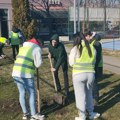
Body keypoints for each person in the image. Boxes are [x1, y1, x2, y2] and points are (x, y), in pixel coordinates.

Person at [69, 32, 100, 120]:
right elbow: (94, 61)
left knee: (80, 96)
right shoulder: (92, 47)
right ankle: (91, 113)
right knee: (89, 94)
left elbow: (71, 63)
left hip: (78, 75)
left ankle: (82, 116)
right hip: (90, 74)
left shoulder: (75, 48)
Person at [12, 35, 44, 120]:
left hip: (16, 72)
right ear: (39, 43)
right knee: (31, 93)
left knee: (22, 92)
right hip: (26, 74)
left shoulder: (23, 47)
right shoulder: (36, 48)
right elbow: (38, 64)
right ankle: (34, 114)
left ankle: (25, 114)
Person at [84, 29, 103, 106]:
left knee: (94, 83)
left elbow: (97, 57)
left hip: (96, 66)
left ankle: (95, 99)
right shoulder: (91, 43)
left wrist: (93, 66)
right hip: (92, 65)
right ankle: (92, 97)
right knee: (91, 82)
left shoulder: (96, 44)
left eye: (88, 36)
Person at [48, 34, 69, 98]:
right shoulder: (50, 46)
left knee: (65, 74)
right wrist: (50, 55)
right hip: (56, 60)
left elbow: (60, 58)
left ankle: (66, 90)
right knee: (55, 73)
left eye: (55, 42)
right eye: (52, 42)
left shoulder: (61, 46)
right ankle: (58, 87)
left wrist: (55, 68)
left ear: (57, 42)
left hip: (63, 59)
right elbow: (51, 52)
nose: (53, 43)